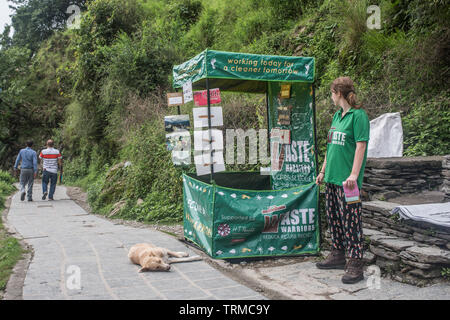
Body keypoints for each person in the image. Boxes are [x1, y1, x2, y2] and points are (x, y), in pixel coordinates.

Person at [315, 77, 370, 284]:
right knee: (334, 219)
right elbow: (331, 147)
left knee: (352, 222)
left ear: (338, 93)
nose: (330, 96)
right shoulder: (337, 116)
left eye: (331, 92)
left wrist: (354, 175)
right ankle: (338, 255)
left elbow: (361, 146)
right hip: (331, 179)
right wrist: (322, 171)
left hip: (349, 183)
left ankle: (356, 263)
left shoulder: (359, 116)